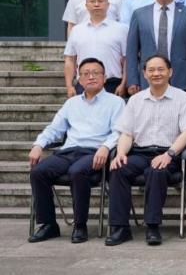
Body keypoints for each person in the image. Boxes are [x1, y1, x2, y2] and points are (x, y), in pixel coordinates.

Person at [104, 55, 186, 246]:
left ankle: (153, 226)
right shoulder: (135, 100)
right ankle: (120, 228)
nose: (156, 73)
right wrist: (121, 153)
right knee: (118, 168)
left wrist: (169, 154)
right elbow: (127, 133)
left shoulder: (183, 98)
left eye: (161, 69)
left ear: (170, 72)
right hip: (140, 152)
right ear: (145, 74)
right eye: (151, 70)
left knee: (157, 170)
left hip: (170, 154)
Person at [28, 58, 123, 244]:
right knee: (38, 172)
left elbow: (119, 131)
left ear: (104, 78)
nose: (91, 77)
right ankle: (48, 225)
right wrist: (38, 145)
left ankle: (80, 225)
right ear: (79, 79)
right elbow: (54, 129)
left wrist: (106, 147)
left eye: (96, 73)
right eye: (86, 74)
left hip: (94, 153)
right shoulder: (71, 103)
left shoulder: (116, 102)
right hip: (68, 152)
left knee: (77, 172)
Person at [126, 0, 186, 93]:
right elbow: (131, 51)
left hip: (180, 77)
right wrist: (133, 80)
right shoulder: (139, 14)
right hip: (148, 78)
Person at [64, 0, 128, 97]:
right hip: (84, 84)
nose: (96, 4)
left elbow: (127, 59)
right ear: (86, 5)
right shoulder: (76, 30)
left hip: (113, 83)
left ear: (108, 5)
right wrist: (69, 86)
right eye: (92, 1)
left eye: (100, 1)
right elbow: (70, 59)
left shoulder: (122, 29)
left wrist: (123, 84)